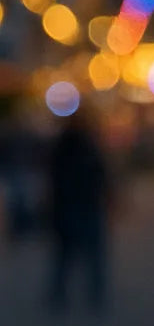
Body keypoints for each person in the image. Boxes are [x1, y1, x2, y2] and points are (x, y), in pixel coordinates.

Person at [45, 109, 110, 313]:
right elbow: (100, 175)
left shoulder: (61, 147)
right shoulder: (87, 147)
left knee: (65, 257)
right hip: (84, 206)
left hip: (69, 207)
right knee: (90, 255)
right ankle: (94, 295)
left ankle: (61, 295)